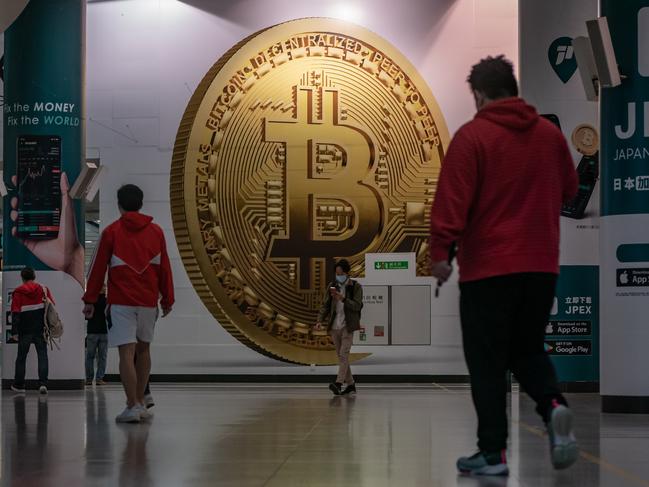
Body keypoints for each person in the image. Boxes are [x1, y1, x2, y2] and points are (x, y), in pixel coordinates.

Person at [429, 55, 579, 476]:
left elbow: (451, 203)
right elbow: (570, 189)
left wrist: (440, 255)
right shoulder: (550, 136)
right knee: (527, 350)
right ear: (512, 88)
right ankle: (553, 408)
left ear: (478, 94)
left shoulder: (473, 137)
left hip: (489, 270)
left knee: (487, 361)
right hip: (541, 268)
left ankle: (492, 454)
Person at [83, 184, 174, 423]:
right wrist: (168, 298)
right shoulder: (156, 232)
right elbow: (165, 268)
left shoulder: (111, 232)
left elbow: (97, 268)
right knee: (144, 350)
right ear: (141, 203)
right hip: (148, 301)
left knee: (126, 352)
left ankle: (132, 404)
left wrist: (90, 299)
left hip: (121, 301)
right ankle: (141, 403)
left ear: (119, 204)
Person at [315, 259, 363, 396]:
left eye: (340, 273)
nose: (338, 276)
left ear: (347, 273)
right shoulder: (332, 285)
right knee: (342, 357)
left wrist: (343, 299)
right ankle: (351, 384)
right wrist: (319, 320)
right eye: (336, 274)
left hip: (348, 326)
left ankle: (338, 383)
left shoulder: (355, 286)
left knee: (343, 355)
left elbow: (357, 306)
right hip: (334, 326)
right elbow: (325, 305)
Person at [10, 267, 54, 395]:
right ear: (34, 276)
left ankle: (19, 385)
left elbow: (15, 313)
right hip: (40, 328)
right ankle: (43, 384)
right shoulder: (43, 289)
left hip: (24, 330)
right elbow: (51, 306)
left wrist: (14, 332)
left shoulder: (18, 292)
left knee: (21, 357)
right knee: (42, 355)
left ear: (22, 277)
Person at [85, 285, 108, 386]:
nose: (105, 288)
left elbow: (86, 315)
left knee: (90, 356)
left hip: (92, 331)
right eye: (104, 287)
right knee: (102, 357)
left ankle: (89, 379)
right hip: (104, 332)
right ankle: (99, 379)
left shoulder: (90, 301)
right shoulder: (107, 302)